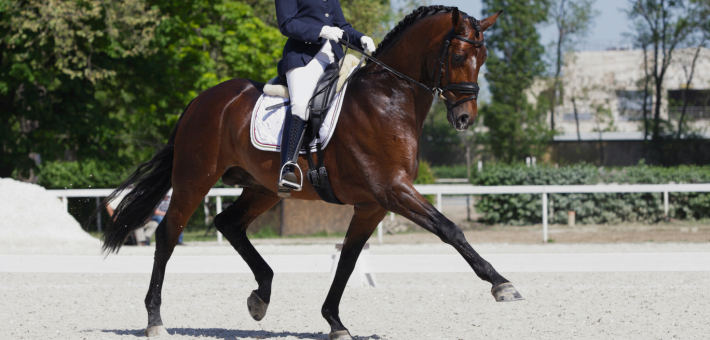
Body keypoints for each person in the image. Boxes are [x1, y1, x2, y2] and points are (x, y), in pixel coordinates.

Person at [274, 0, 376, 191]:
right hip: (304, 56)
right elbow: (287, 23)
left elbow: (342, 27)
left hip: (334, 58)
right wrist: (320, 31)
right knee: (301, 104)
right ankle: (287, 167)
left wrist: (361, 38)